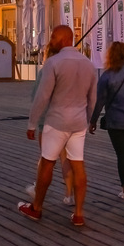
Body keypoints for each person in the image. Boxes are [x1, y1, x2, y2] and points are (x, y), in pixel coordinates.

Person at [17, 25, 96, 226]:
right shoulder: (89, 65)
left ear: (62, 39)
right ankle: (78, 214)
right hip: (79, 123)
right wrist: (87, 120)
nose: (50, 40)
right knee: (78, 166)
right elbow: (93, 98)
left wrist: (32, 123)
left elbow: (42, 97)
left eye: (53, 37)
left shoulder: (53, 63)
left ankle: (36, 207)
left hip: (57, 121)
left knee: (47, 163)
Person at [90, 41, 124, 199]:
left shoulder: (107, 76)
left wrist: (93, 120)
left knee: (122, 154)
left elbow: (99, 101)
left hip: (115, 120)